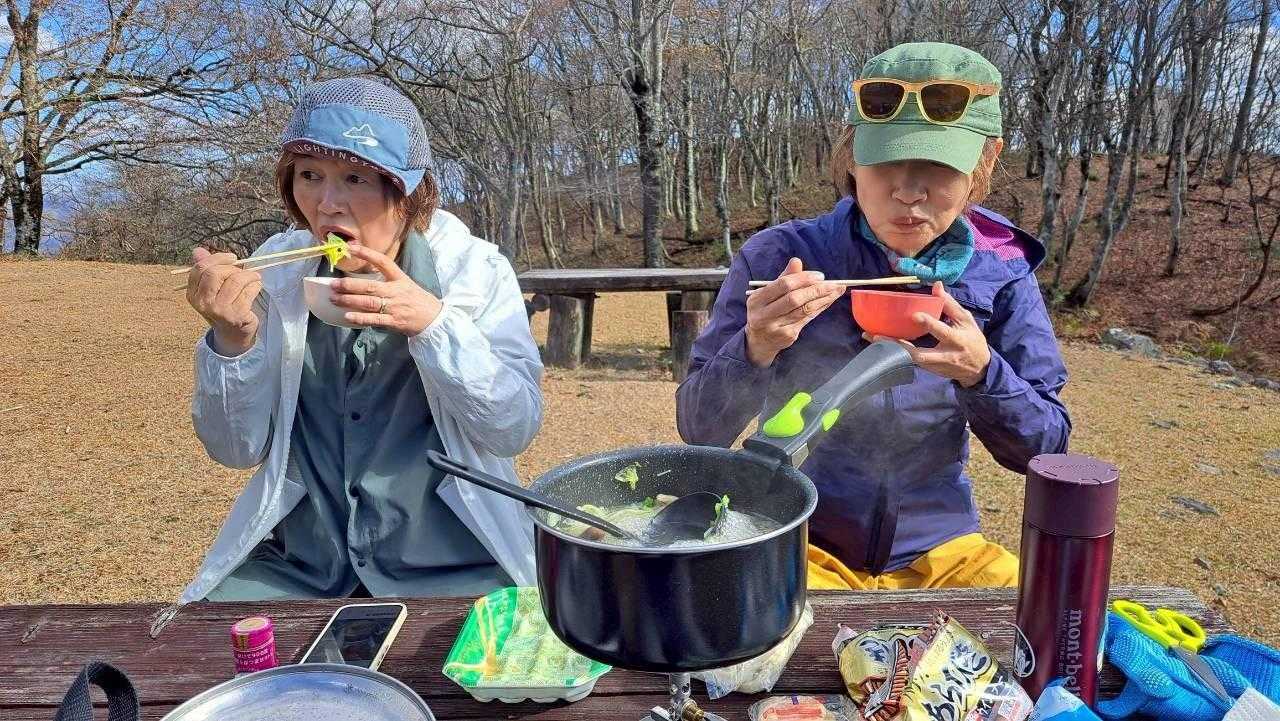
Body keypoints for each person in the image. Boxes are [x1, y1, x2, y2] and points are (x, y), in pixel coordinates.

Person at [676, 42, 1071, 590]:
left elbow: (1046, 449)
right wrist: (754, 348)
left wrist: (983, 374)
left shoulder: (1001, 269)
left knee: (1034, 612)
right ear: (852, 157)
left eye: (937, 166)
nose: (907, 193)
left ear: (985, 161)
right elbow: (698, 430)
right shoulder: (779, 256)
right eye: (885, 163)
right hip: (799, 537)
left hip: (940, 548)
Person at [179, 77, 542, 602]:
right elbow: (235, 450)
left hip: (456, 563)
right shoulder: (274, 276)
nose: (328, 204)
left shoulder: (474, 272)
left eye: (356, 178)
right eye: (310, 175)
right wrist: (232, 341)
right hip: (303, 571)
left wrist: (433, 324)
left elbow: (513, 429)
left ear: (409, 192)